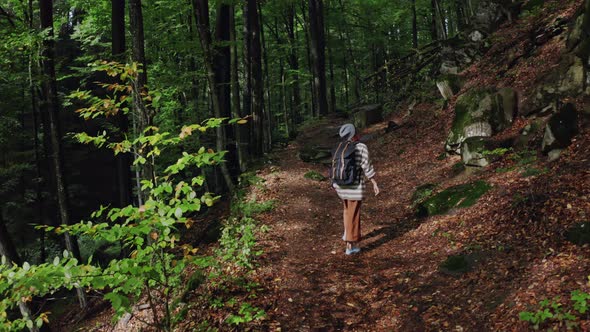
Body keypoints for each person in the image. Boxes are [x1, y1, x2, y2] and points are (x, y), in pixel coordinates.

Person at [332, 123, 379, 255]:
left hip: (341, 187)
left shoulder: (340, 147)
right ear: (354, 134)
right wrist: (374, 181)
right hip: (354, 187)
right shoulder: (360, 147)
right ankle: (350, 245)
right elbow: (366, 166)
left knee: (347, 211)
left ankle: (347, 234)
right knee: (354, 215)